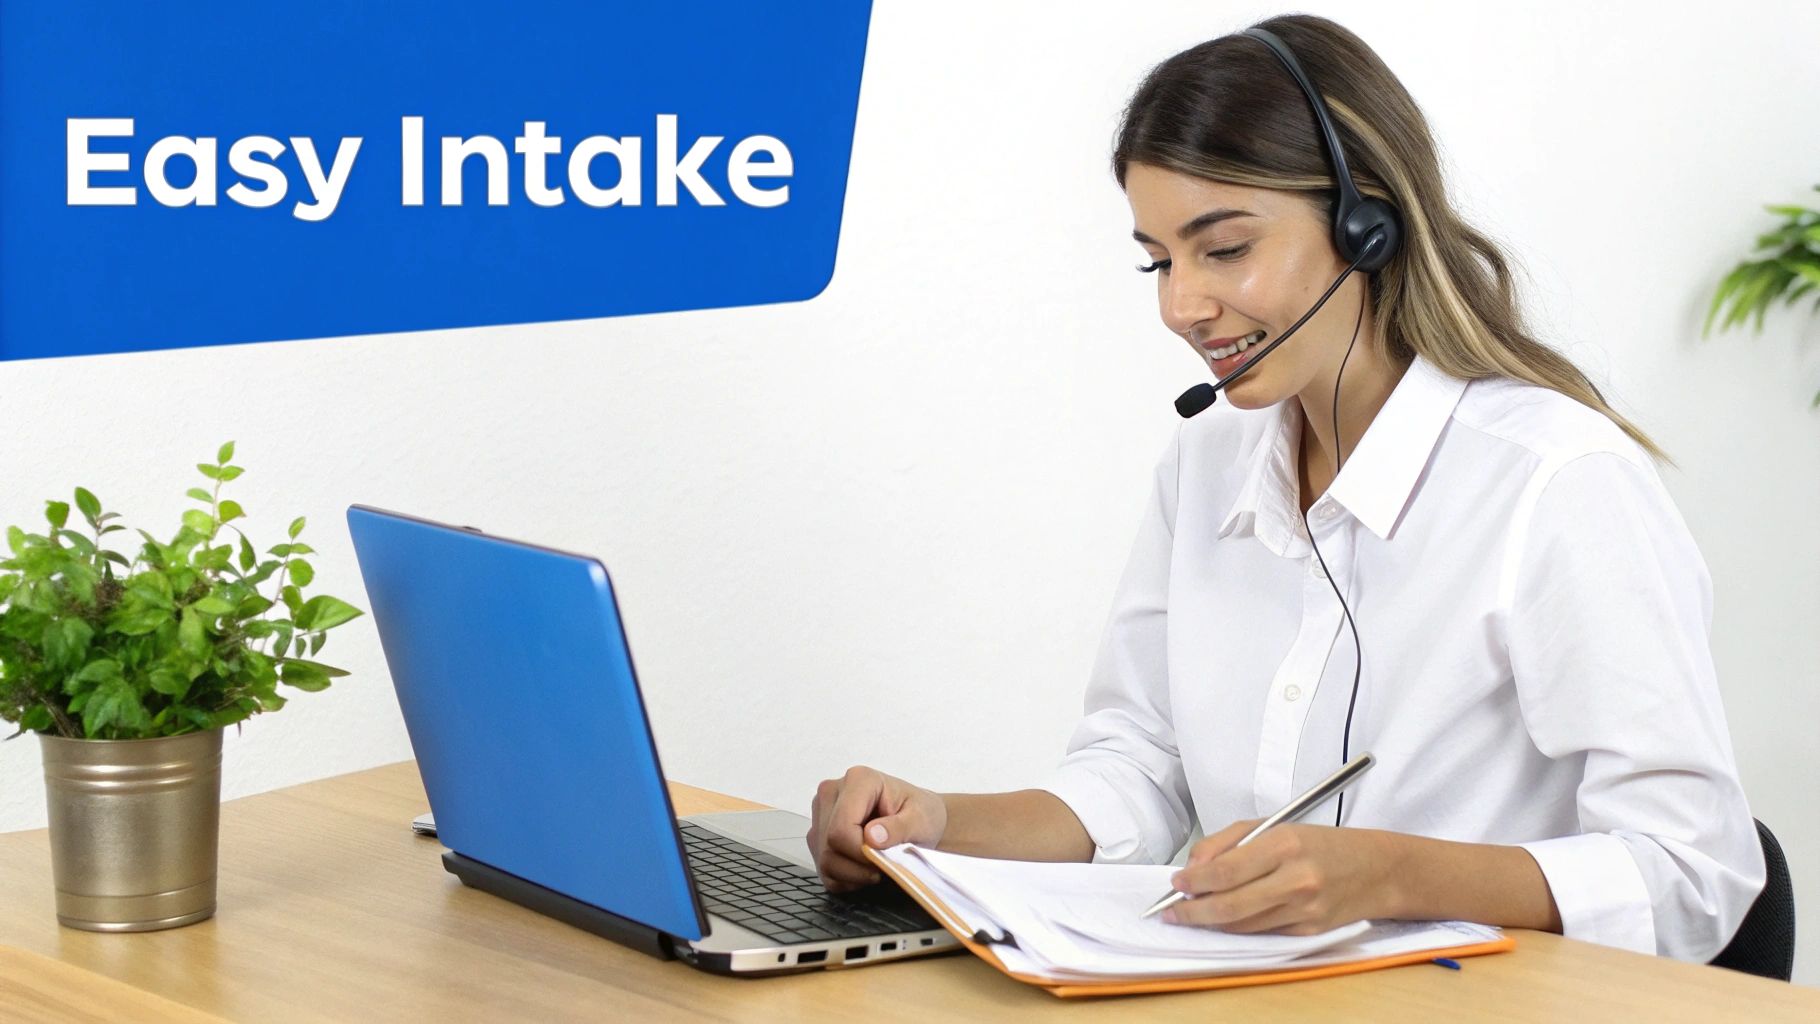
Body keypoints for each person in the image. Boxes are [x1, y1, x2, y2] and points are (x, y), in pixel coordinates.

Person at [806, 13, 1765, 962]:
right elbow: (1140, 771)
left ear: (1367, 225)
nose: (1182, 304)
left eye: (1223, 249)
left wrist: (1387, 873)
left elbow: (1693, 871)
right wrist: (935, 824)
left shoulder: (1556, 482)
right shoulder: (1208, 465)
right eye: (1159, 260)